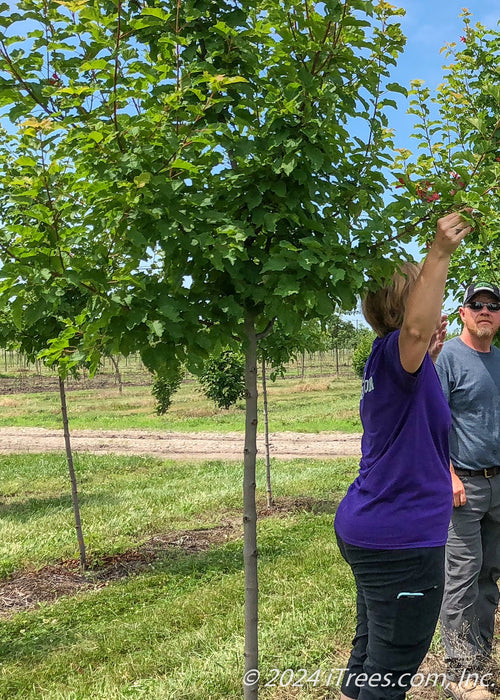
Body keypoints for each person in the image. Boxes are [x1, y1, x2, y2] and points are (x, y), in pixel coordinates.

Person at [334, 211, 472, 700]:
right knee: (388, 673)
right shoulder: (398, 351)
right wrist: (440, 253)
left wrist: (429, 356)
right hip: (401, 542)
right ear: (408, 302)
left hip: (371, 526)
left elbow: (410, 399)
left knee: (370, 655)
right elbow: (413, 333)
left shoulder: (389, 359)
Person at [435, 281, 500, 700]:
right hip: (464, 487)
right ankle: (460, 674)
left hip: (499, 486)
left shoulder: (499, 360)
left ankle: (482, 660)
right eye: (477, 305)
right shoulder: (448, 360)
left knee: (489, 578)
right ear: (462, 313)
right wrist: (449, 476)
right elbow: (432, 425)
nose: (485, 311)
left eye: (493, 306)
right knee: (461, 579)